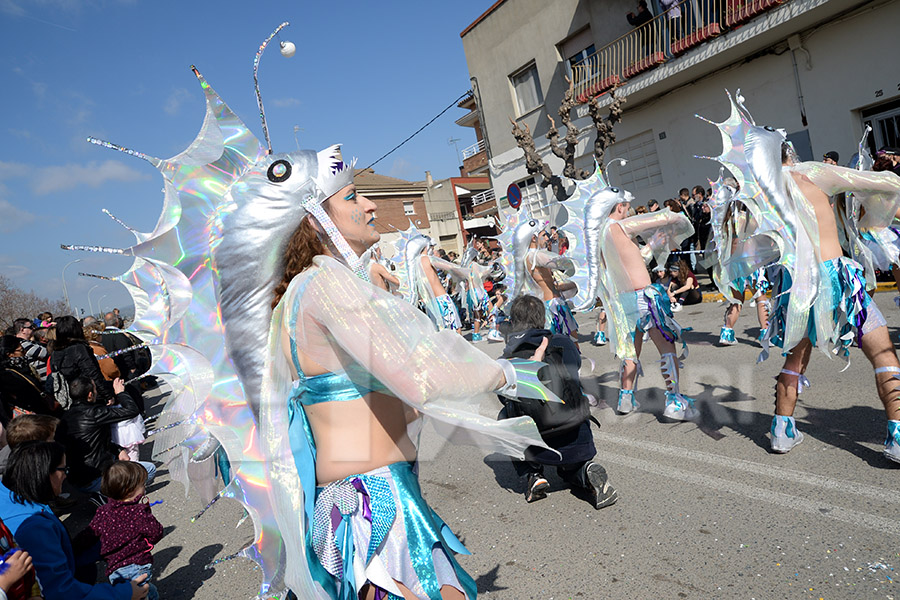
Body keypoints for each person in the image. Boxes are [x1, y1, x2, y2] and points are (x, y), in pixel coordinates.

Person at [701, 92, 900, 461]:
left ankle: (780, 431)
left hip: (797, 288)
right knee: (883, 350)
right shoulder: (811, 172)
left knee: (795, 360)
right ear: (787, 150)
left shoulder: (763, 198)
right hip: (839, 282)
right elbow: (881, 184)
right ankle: (898, 434)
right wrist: (874, 214)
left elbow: (741, 246)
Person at [558, 168, 697, 420]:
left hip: (623, 303)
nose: (629, 209)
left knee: (630, 352)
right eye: (627, 205)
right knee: (666, 346)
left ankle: (625, 399)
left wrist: (653, 244)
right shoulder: (620, 226)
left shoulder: (600, 235)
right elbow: (657, 218)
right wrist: (674, 216)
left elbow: (634, 259)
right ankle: (674, 401)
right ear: (619, 206)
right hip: (644, 298)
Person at [500, 295, 617, 509]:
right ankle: (583, 471)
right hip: (575, 430)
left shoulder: (509, 356)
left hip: (539, 440)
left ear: (514, 322)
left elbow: (503, 395)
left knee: (503, 415)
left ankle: (532, 474)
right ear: (543, 319)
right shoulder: (562, 341)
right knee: (572, 469)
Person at [0, 441, 150, 599]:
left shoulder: (12, 496)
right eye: (63, 469)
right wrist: (124, 593)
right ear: (44, 473)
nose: (66, 475)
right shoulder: (34, 528)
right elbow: (60, 591)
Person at [61, 376, 154, 495]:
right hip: (98, 477)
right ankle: (115, 501)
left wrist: (119, 450)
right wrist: (121, 393)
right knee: (150, 469)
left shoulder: (65, 417)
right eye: (95, 389)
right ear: (90, 395)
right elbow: (131, 410)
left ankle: (104, 496)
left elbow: (96, 442)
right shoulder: (95, 412)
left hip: (76, 479)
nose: (97, 392)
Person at [90, 461, 162, 600]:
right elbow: (156, 532)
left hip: (114, 570)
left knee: (143, 592)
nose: (145, 487)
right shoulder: (138, 512)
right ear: (130, 490)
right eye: (142, 485)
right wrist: (147, 540)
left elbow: (88, 534)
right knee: (141, 593)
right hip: (138, 564)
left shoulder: (102, 511)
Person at [48, 316, 114, 404]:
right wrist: (107, 395)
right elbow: (92, 373)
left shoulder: (55, 352)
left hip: (68, 398)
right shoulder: (79, 348)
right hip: (87, 395)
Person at [0, 336, 57, 421]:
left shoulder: (20, 367)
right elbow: (29, 397)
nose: (25, 352)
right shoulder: (8, 376)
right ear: (9, 354)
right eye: (21, 350)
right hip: (34, 418)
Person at [11, 320, 48, 385]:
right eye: (31, 327)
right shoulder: (22, 344)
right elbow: (46, 353)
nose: (33, 329)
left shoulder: (29, 343)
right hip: (41, 382)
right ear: (22, 330)